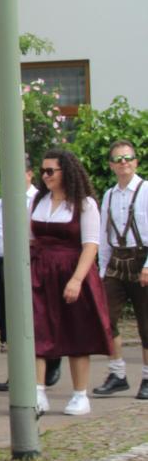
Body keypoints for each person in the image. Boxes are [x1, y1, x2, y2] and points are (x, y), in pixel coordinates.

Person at [30, 149, 112, 416]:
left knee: (76, 332)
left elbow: (91, 245)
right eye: (43, 171)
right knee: (37, 329)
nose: (45, 176)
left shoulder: (84, 204)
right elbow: (30, 238)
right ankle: (38, 391)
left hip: (71, 271)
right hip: (41, 272)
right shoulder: (39, 202)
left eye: (50, 171)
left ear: (66, 172)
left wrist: (77, 280)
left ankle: (80, 394)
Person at [0, 159, 58, 392]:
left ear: (28, 174)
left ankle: (49, 363)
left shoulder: (38, 200)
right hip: (1, 264)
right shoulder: (1, 201)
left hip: (26, 264)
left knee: (30, 318)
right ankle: (16, 371)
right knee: (6, 320)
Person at [93, 140, 148, 400]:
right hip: (116, 261)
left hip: (142, 258)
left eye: (128, 158)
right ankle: (118, 374)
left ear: (136, 162)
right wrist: (103, 269)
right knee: (107, 320)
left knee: (146, 324)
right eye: (118, 159)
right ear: (112, 165)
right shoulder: (110, 195)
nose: (123, 162)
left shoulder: (146, 190)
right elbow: (104, 234)